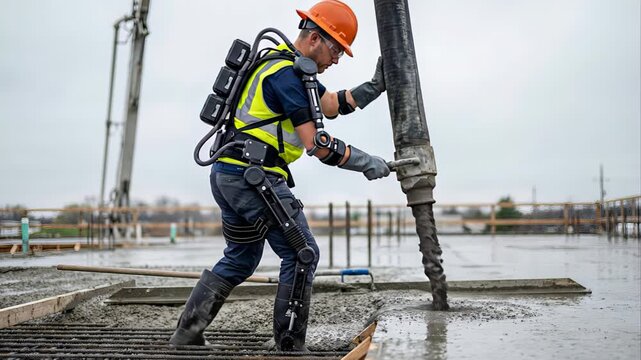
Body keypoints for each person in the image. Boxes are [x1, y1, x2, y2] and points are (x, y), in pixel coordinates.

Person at [170, 0, 389, 351]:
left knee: (241, 257)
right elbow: (317, 144)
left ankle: (186, 334)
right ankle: (289, 346)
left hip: (230, 174)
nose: (337, 60)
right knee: (303, 253)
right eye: (336, 50)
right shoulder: (287, 76)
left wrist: (374, 87)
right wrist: (365, 162)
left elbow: (329, 104)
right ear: (315, 38)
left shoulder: (284, 69)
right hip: (253, 177)